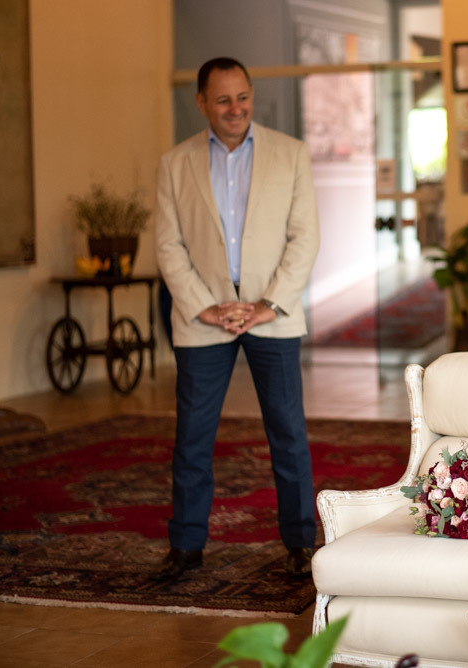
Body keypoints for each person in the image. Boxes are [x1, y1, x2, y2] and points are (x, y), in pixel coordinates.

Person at [153, 57, 320, 579]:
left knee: (287, 432)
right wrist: (204, 304)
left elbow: (305, 238)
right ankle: (186, 548)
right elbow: (168, 244)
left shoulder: (290, 155)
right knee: (193, 438)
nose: (235, 109)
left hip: (272, 316)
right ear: (201, 102)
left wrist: (269, 303)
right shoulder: (174, 163)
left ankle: (299, 544)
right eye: (222, 99)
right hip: (204, 319)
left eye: (242, 97)